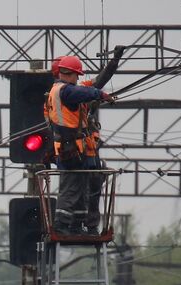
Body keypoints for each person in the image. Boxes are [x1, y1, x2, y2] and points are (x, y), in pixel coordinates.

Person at [43, 51, 122, 235]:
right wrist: (101, 95)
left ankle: (78, 225)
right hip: (73, 148)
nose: (78, 79)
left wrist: (114, 61)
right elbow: (85, 91)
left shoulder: (59, 92)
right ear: (68, 73)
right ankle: (62, 225)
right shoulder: (65, 91)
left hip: (78, 150)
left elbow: (96, 82)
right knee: (72, 188)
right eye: (76, 75)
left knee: (83, 187)